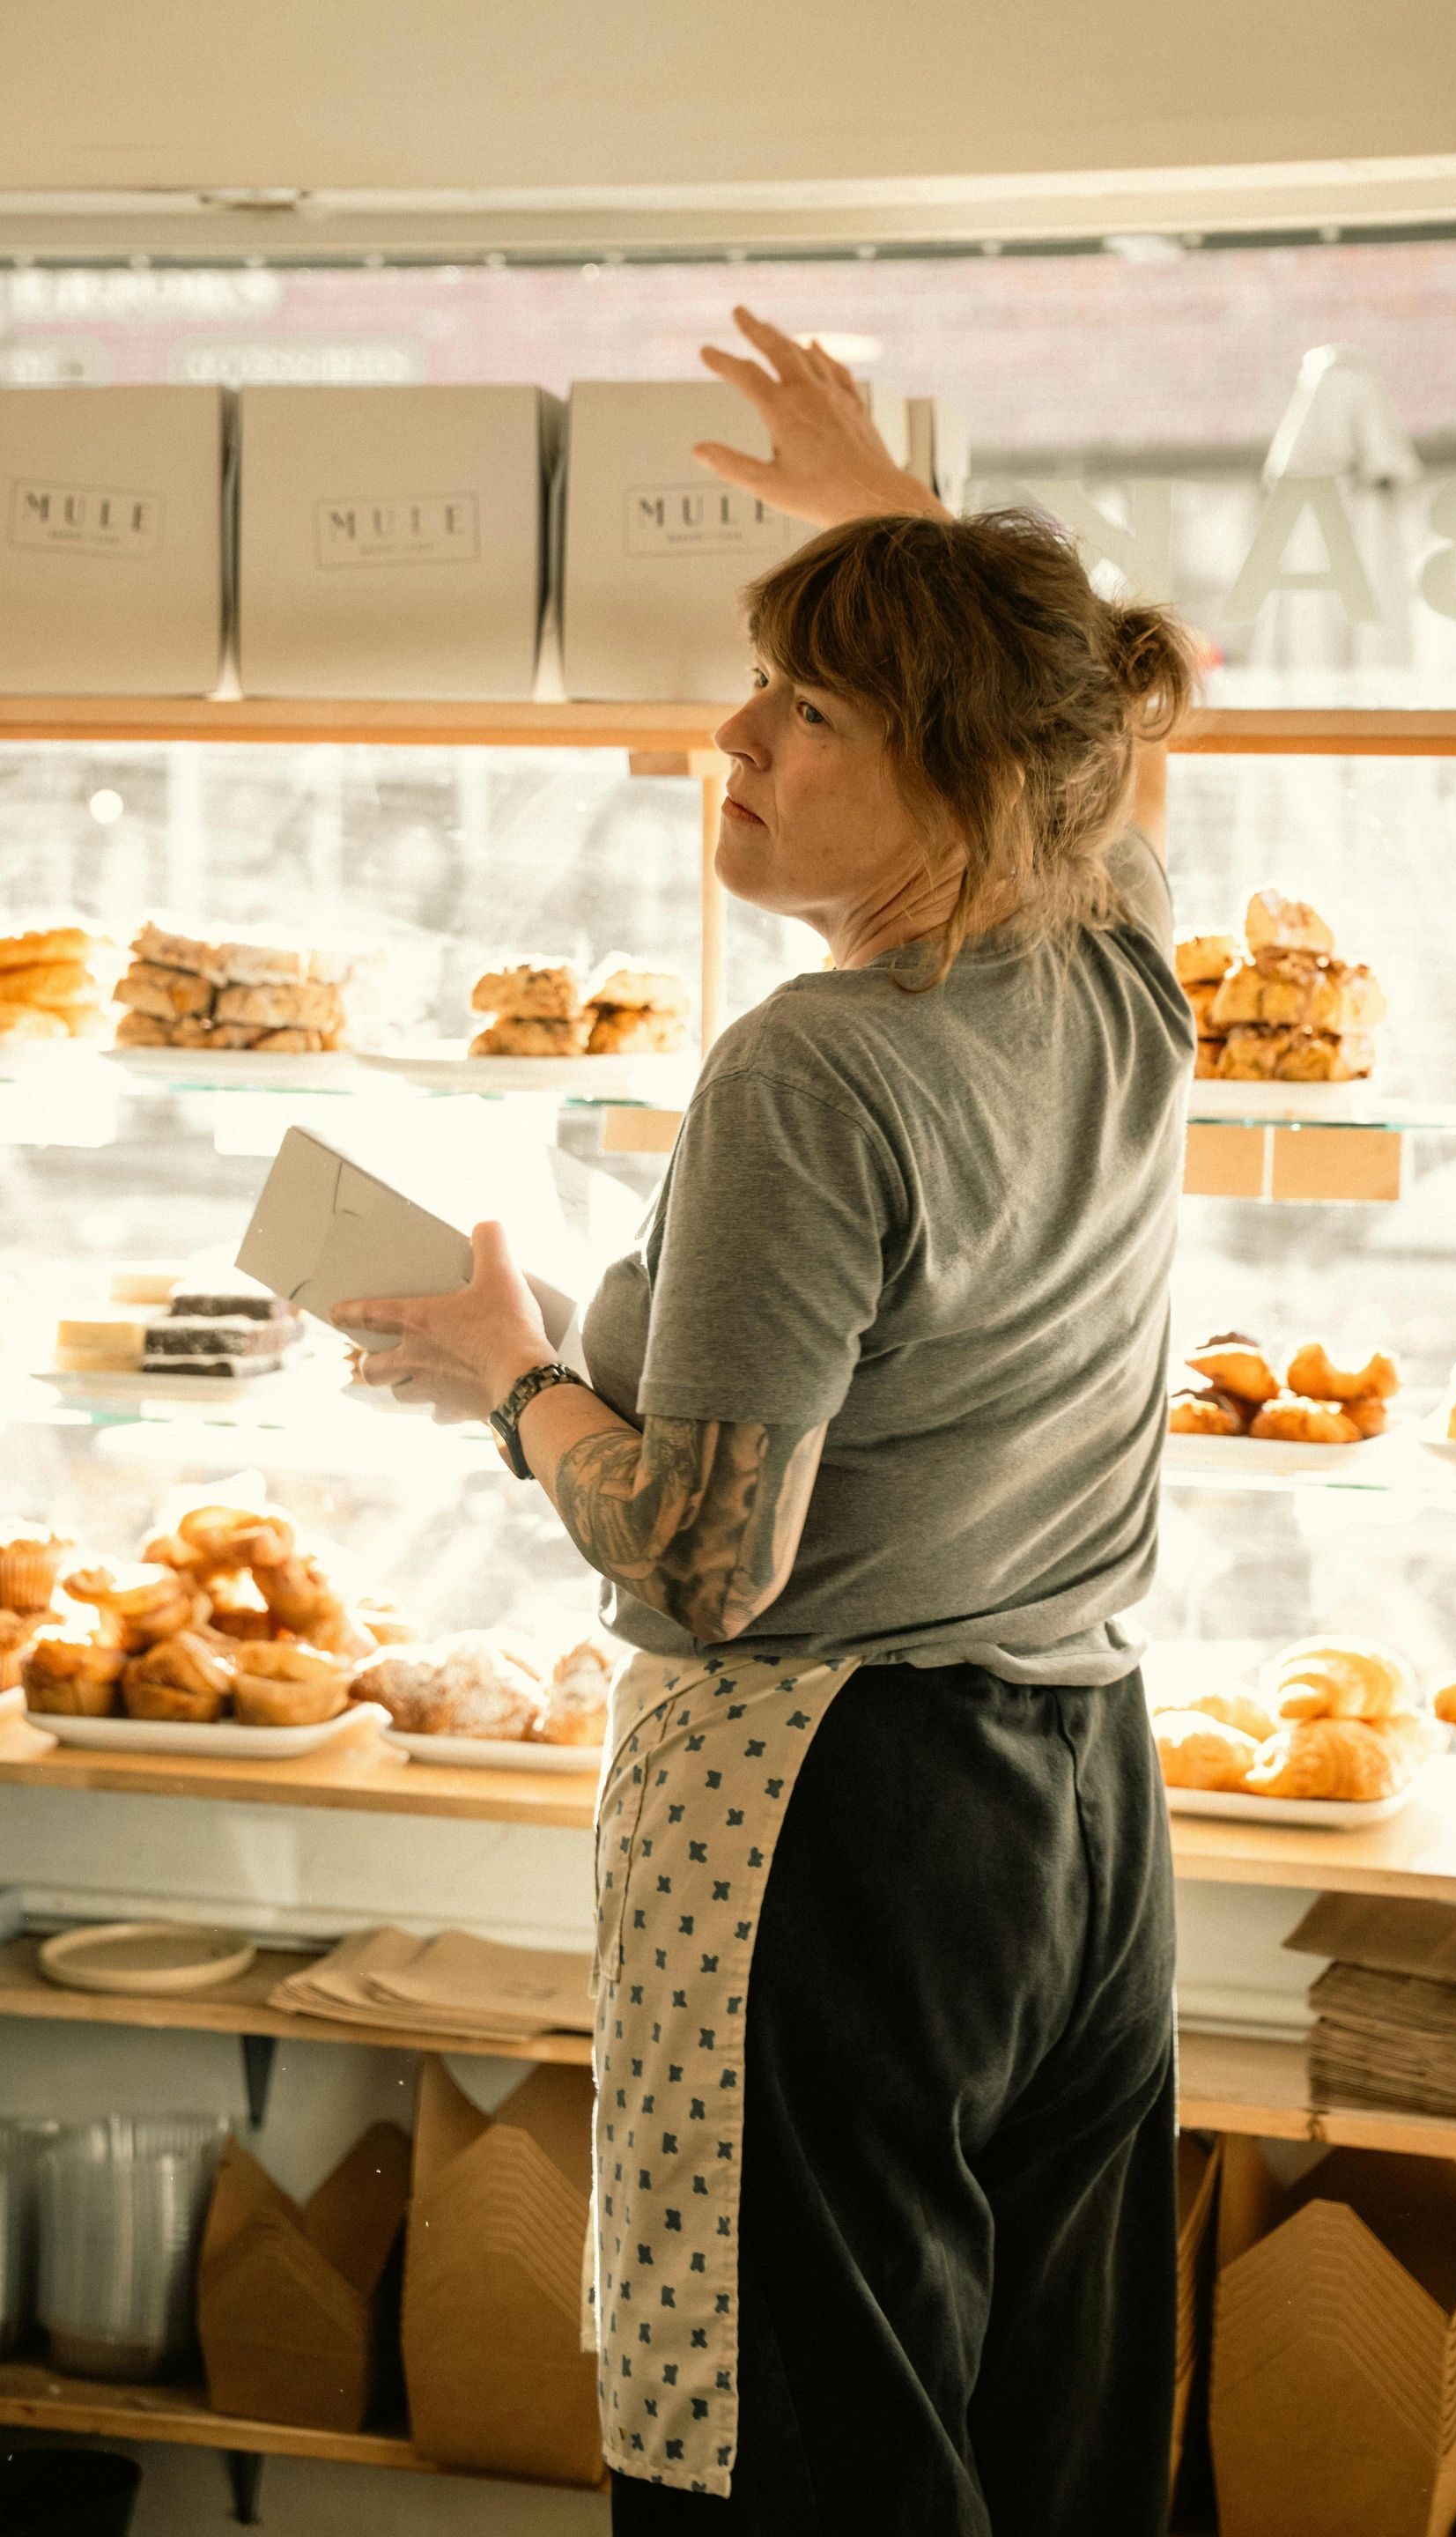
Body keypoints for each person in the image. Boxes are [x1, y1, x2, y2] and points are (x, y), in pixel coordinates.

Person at [336, 307, 1196, 2534]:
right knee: (1046, 2440)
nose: (734, 738)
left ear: (964, 784)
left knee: (790, 2454)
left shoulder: (819, 1063)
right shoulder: (1113, 971)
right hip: (1082, 1804)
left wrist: (507, 1379)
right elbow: (1073, 730)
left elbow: (712, 1560)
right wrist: (881, 515)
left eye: (807, 711)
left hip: (834, 1813)